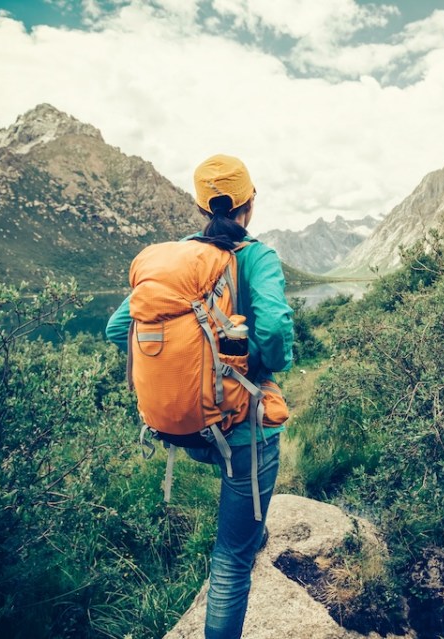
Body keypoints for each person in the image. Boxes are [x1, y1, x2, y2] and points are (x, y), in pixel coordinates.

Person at [105, 154, 294, 639]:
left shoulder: (176, 265)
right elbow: (272, 334)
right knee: (231, 560)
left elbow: (115, 330)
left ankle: (250, 529)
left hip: (187, 428)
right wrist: (255, 363)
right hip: (244, 426)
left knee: (233, 500)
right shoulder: (257, 256)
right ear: (251, 201)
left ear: (198, 204)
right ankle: (246, 536)